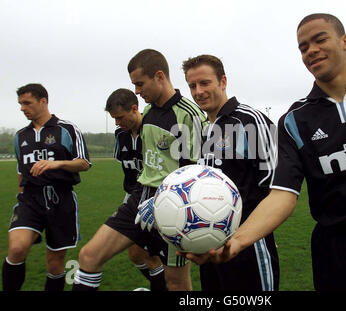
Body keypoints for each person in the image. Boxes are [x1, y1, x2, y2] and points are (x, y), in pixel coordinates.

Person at [185, 14, 346, 291]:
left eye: (320, 39)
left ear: (345, 41)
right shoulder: (295, 120)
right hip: (332, 250)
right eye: (303, 47)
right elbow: (283, 194)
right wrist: (236, 242)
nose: (311, 50)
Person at [138, 54, 280, 291]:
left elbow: (276, 186)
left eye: (205, 83)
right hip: (209, 244)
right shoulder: (203, 129)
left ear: (223, 82)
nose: (198, 91)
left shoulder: (250, 121)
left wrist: (257, 232)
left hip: (248, 246)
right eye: (192, 85)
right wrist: (162, 201)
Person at [72, 49, 206, 291]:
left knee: (175, 282)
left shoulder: (189, 114)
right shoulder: (149, 113)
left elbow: (196, 175)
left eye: (139, 84)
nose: (136, 90)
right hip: (139, 199)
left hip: (174, 209)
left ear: (159, 76)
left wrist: (162, 204)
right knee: (89, 257)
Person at [2, 83, 91, 291]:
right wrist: (21, 196)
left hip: (61, 200)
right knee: (16, 249)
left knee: (55, 263)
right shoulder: (20, 136)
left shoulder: (67, 129)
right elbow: (20, 170)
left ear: (43, 101)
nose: (23, 108)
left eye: (27, 103)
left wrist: (57, 163)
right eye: (20, 104)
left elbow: (84, 163)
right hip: (30, 200)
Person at [107, 88, 167, 291]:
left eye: (120, 117)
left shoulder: (153, 131)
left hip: (155, 198)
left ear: (134, 109)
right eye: (114, 118)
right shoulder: (120, 135)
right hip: (132, 198)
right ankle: (162, 285)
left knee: (157, 255)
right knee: (136, 254)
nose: (117, 123)